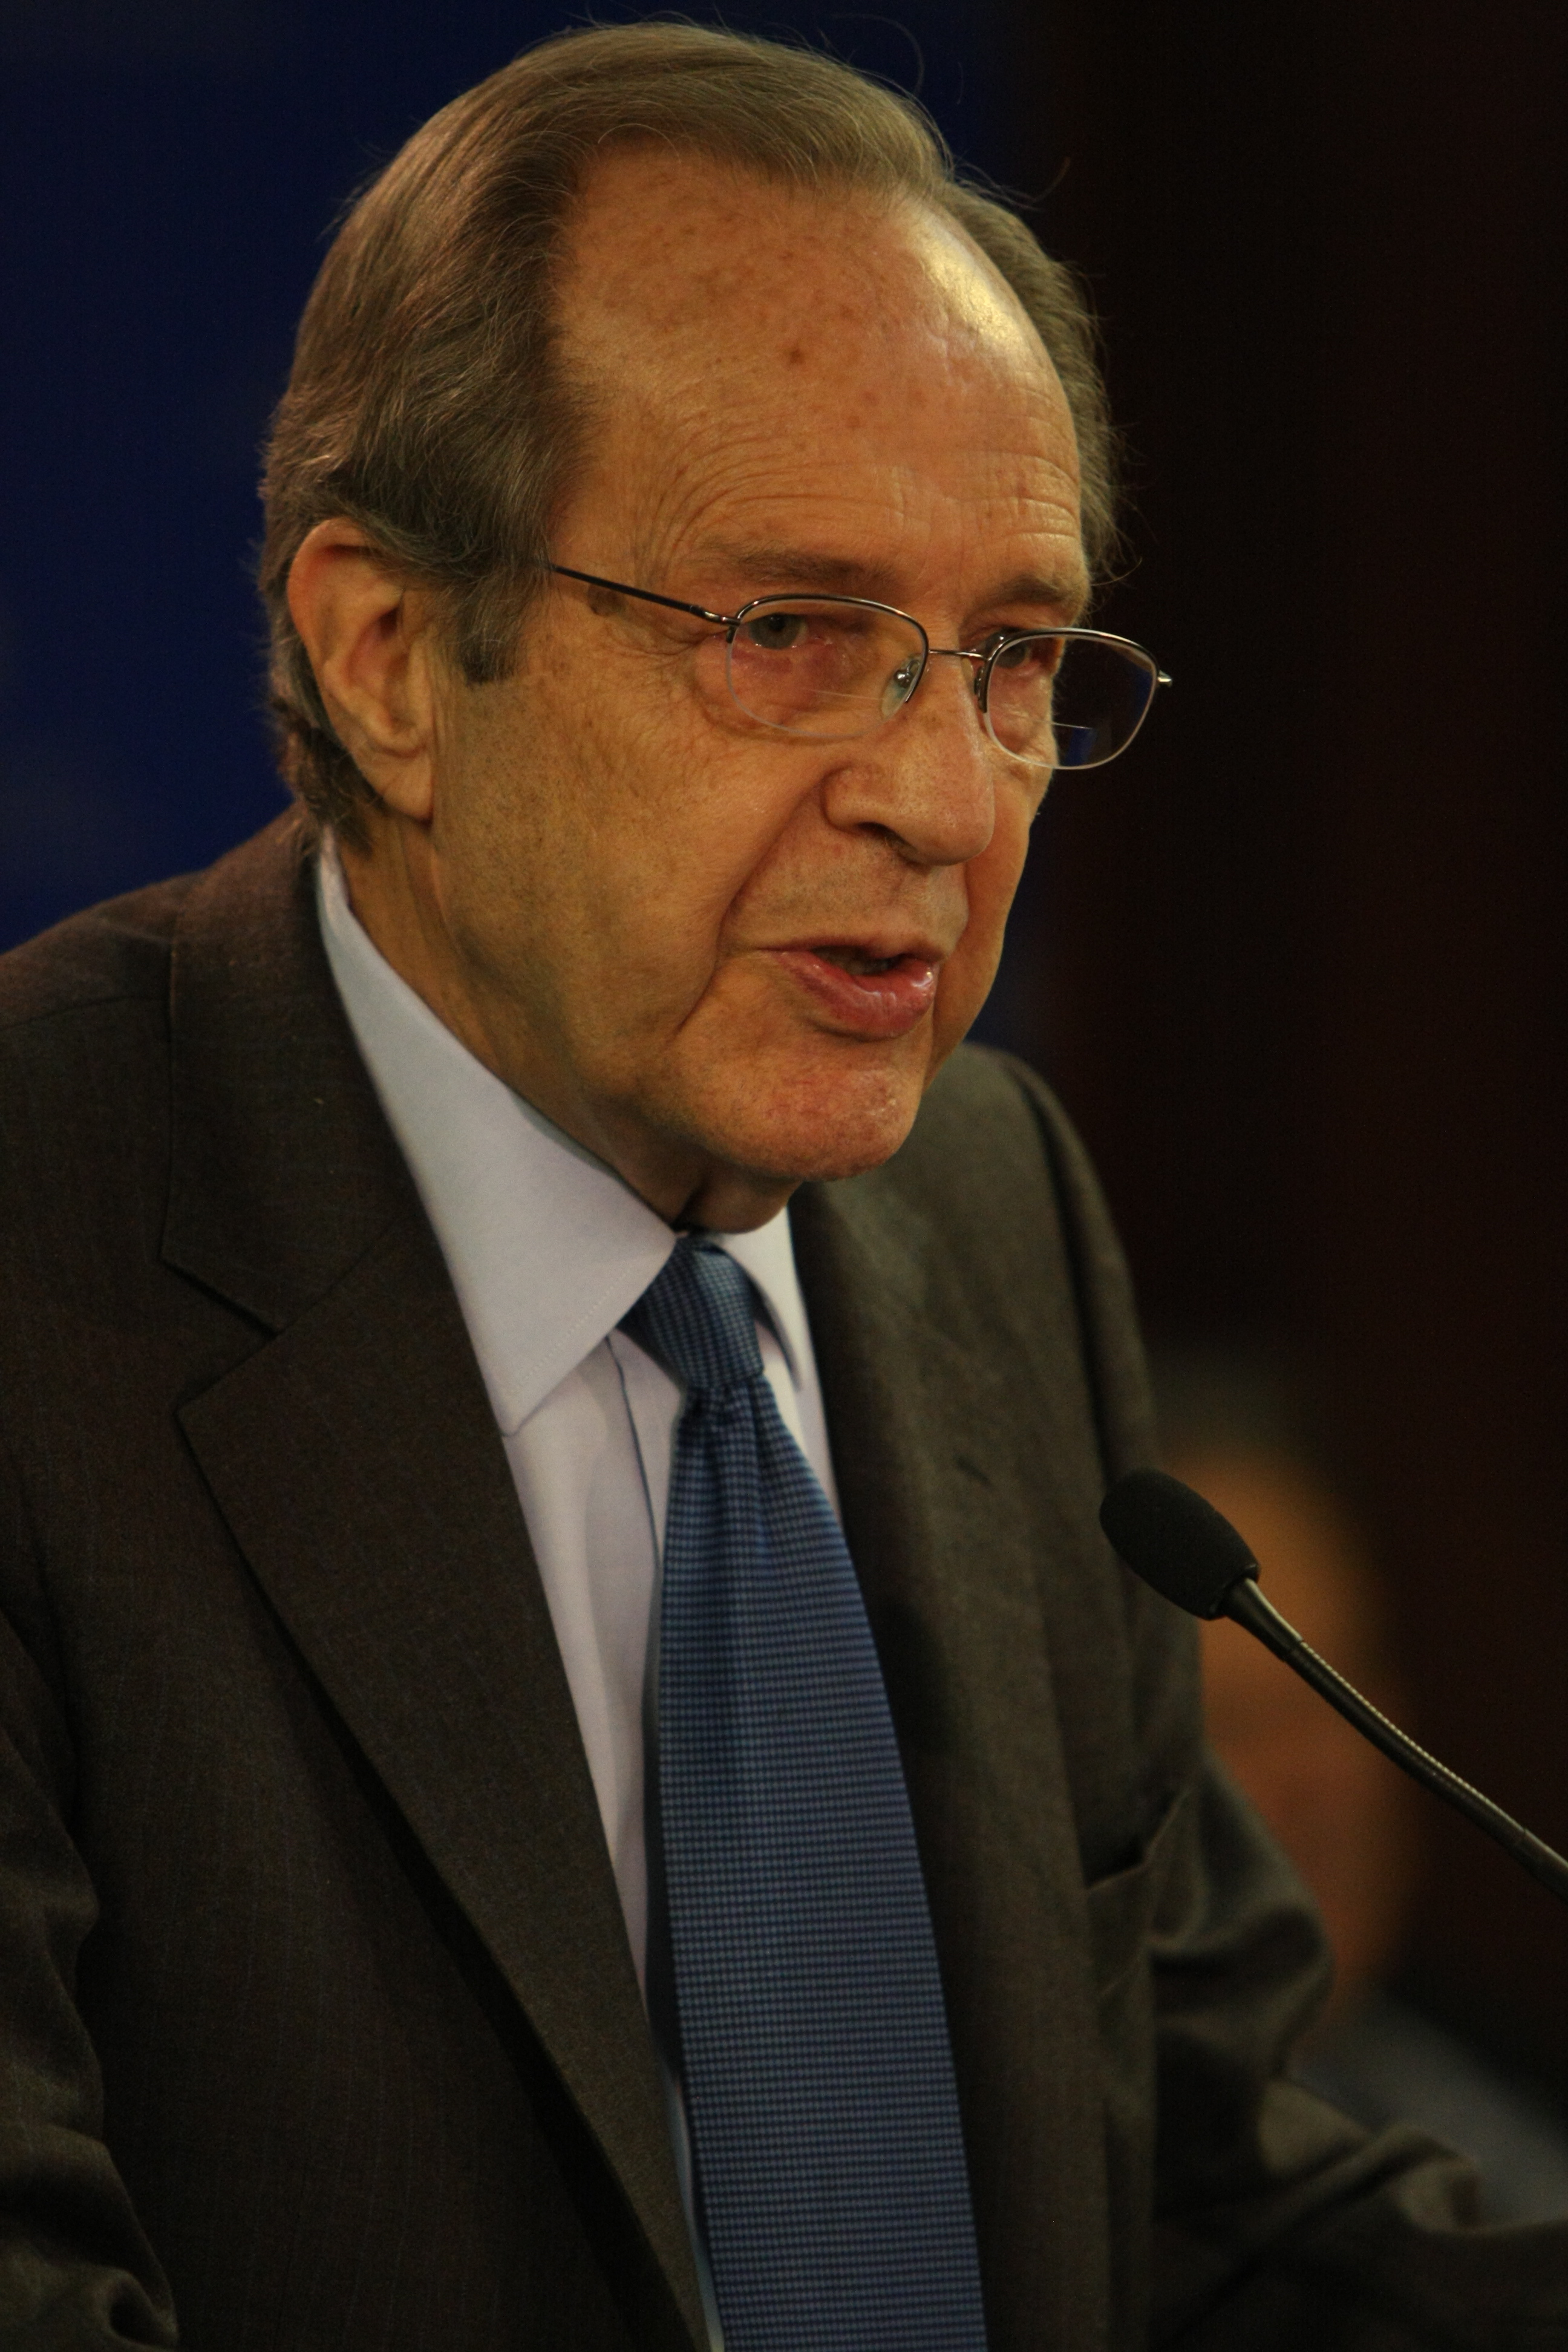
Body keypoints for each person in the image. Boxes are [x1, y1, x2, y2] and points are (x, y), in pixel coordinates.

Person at [0, 23, 1563, 2350]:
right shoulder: (49, 1243)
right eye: (791, 632)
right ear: (393, 656)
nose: (944, 797)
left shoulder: (986, 1211)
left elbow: (1206, 2186)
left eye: (1012, 654)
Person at [1158, 1377, 1568, 2226]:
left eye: (1342, 1692)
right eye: (1242, 1722)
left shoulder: (1499, 2061)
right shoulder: (1119, 2218)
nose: (1329, 1778)